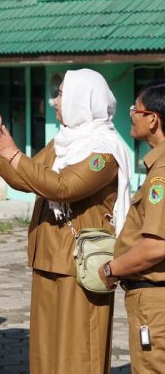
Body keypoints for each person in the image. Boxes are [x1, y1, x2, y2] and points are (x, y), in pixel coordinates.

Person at [0, 68, 132, 374]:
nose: (54, 100)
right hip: (48, 256)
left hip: (80, 265)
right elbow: (25, 178)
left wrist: (11, 151)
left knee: (78, 352)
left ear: (81, 100)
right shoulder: (63, 143)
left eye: (60, 94)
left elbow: (63, 187)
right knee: (45, 351)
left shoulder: (103, 151)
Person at [100, 81, 165, 373]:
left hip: (155, 300)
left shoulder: (161, 174)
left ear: (152, 119)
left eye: (134, 110)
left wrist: (112, 269)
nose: (131, 115)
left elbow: (156, 246)